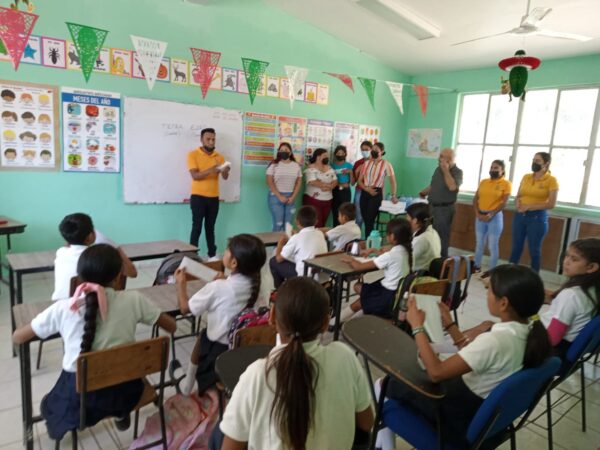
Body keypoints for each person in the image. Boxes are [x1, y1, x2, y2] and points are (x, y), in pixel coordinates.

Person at [376, 264, 551, 449]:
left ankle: (384, 446)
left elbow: (436, 372)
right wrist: (450, 324)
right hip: (483, 414)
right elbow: (481, 356)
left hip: (457, 416)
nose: (486, 294)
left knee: (383, 384)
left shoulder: (496, 340)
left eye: (489, 290)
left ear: (504, 303)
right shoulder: (529, 333)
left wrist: (417, 326)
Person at [12, 244, 176, 440]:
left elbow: (18, 337)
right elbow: (172, 326)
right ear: (118, 277)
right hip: (126, 391)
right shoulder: (134, 300)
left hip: (81, 400)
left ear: (80, 277)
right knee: (116, 378)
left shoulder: (64, 308)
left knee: (49, 403)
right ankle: (121, 413)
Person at [219, 277, 374, 450]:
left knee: (217, 437)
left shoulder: (256, 374)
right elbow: (366, 423)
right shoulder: (345, 357)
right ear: (325, 323)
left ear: (271, 317)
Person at [339, 218, 412, 321]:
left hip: (387, 296)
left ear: (392, 236)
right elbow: (388, 257)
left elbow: (359, 267)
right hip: (395, 293)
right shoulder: (405, 250)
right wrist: (374, 250)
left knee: (361, 301)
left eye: (387, 233)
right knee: (359, 288)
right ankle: (363, 313)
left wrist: (350, 260)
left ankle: (335, 322)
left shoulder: (392, 255)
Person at [52, 213, 137, 301]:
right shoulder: (100, 257)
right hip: (89, 305)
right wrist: (115, 247)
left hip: (59, 303)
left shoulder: (61, 252)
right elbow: (133, 273)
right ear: (90, 236)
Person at [542, 238, 599, 358]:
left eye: (574, 259)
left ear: (591, 267)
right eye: (567, 256)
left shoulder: (571, 295)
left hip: (549, 350)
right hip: (567, 348)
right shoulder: (593, 289)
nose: (566, 262)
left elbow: (552, 338)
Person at [509, 152, 559, 272]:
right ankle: (509, 273)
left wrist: (529, 207)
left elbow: (551, 204)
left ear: (546, 163)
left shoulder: (551, 180)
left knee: (534, 249)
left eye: (538, 161)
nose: (534, 163)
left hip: (537, 218)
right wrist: (518, 204)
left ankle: (534, 276)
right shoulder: (526, 177)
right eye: (533, 160)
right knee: (516, 247)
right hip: (520, 216)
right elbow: (518, 195)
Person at [187, 128, 230, 259]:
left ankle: (212, 255)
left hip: (213, 198)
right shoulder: (193, 154)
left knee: (210, 228)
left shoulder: (219, 157)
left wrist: (225, 170)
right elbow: (195, 175)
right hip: (198, 197)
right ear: (201, 140)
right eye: (208, 139)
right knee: (197, 227)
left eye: (213, 139)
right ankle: (192, 255)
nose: (211, 142)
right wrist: (211, 170)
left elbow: (225, 177)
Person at [419, 148, 463, 258]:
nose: (439, 158)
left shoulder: (457, 172)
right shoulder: (438, 169)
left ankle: (442, 263)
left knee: (441, 237)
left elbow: (452, 187)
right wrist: (424, 191)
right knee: (429, 235)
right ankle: (430, 259)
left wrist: (446, 171)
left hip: (444, 209)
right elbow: (434, 185)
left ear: (450, 160)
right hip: (432, 207)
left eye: (442, 156)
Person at [270, 205, 328, 288]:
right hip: (320, 275)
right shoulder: (320, 234)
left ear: (297, 222)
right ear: (316, 222)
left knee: (273, 261)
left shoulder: (296, 238)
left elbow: (279, 259)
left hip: (304, 276)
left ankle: (280, 291)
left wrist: (280, 244)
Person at [473, 160, 512, 275]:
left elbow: (504, 203)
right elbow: (475, 199)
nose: (493, 170)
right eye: (492, 167)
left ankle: (492, 271)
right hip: (480, 216)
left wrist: (491, 214)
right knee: (479, 243)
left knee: (492, 245)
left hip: (494, 217)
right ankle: (476, 266)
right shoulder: (484, 182)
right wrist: (477, 213)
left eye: (496, 168)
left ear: (502, 170)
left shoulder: (506, 184)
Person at [357, 142, 398, 238]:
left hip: (376, 193)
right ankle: (369, 241)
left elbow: (393, 182)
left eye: (376, 150)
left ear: (382, 152)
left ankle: (368, 243)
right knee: (365, 219)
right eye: (373, 149)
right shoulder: (366, 163)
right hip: (365, 192)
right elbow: (359, 181)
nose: (374, 151)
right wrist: (367, 189)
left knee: (370, 220)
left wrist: (393, 195)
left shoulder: (386, 164)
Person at [266, 142, 302, 231]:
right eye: (281, 150)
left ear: (290, 152)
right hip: (275, 197)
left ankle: (288, 245)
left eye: (286, 150)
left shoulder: (296, 165)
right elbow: (269, 182)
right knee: (278, 224)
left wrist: (293, 197)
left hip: (291, 197)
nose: (284, 152)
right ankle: (277, 245)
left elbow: (299, 182)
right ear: (278, 152)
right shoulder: (274, 164)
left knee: (288, 226)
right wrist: (280, 196)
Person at [303, 148, 337, 227]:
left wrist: (330, 186)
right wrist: (328, 185)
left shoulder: (329, 168)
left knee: (323, 223)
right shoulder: (311, 167)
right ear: (318, 157)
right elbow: (312, 181)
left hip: (328, 200)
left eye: (327, 156)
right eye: (325, 156)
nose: (327, 158)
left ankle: (320, 238)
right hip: (313, 200)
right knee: (316, 223)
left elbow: (335, 181)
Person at [406, 202, 441, 272]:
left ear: (415, 221)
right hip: (430, 275)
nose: (405, 220)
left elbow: (404, 260)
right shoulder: (433, 232)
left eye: (407, 217)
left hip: (419, 278)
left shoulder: (421, 239)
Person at [330, 145, 355, 227]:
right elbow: (329, 180)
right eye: (338, 153)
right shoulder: (332, 166)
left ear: (345, 154)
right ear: (335, 154)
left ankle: (345, 234)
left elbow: (352, 183)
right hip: (335, 191)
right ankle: (336, 233)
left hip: (346, 191)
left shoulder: (349, 165)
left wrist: (350, 172)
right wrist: (339, 184)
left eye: (342, 153)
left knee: (346, 213)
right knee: (335, 213)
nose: (340, 155)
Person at [353, 140, 372, 229]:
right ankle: (357, 238)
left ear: (371, 150)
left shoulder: (375, 162)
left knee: (369, 217)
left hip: (372, 191)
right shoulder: (358, 163)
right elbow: (354, 181)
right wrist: (358, 171)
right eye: (362, 150)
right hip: (360, 190)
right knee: (359, 217)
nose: (364, 151)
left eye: (366, 149)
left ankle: (368, 239)